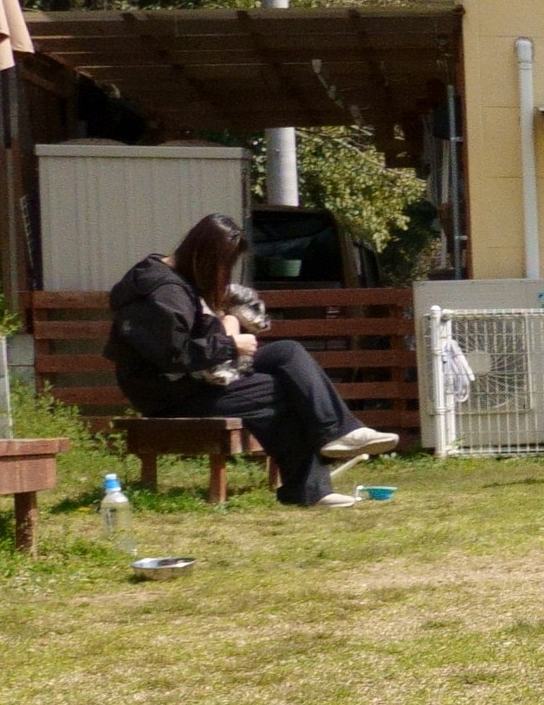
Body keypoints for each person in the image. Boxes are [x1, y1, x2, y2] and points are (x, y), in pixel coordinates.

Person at [106, 214, 391, 509]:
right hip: (170, 394)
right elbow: (174, 356)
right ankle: (310, 490)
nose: (224, 275)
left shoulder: (172, 277)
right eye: (223, 265)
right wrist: (231, 344)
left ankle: (339, 432)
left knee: (287, 353)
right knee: (276, 389)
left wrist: (228, 323)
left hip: (198, 378)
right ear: (206, 257)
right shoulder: (164, 293)